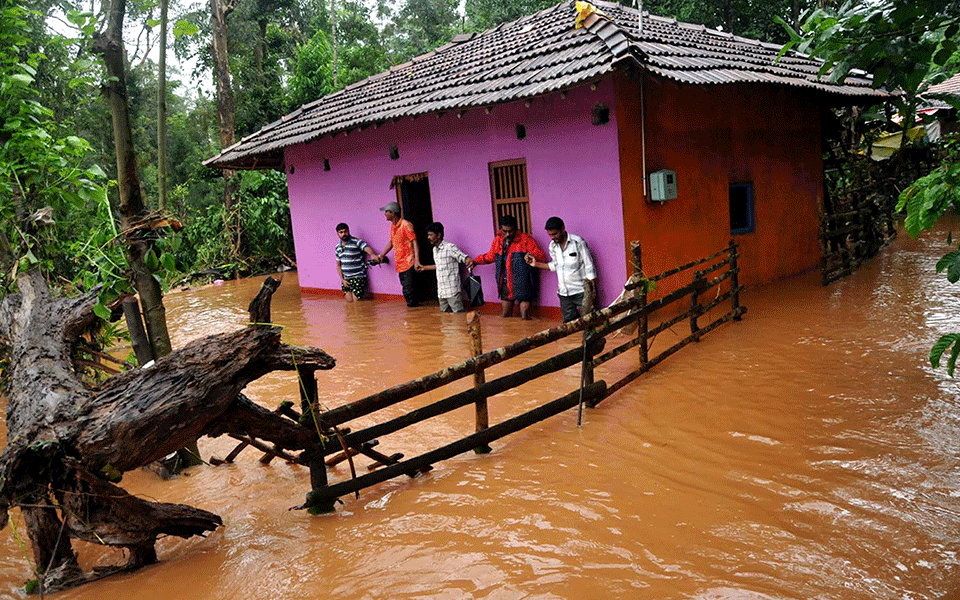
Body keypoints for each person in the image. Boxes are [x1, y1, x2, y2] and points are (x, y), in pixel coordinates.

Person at [472, 215, 547, 319]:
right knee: (505, 316)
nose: (507, 234)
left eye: (510, 231)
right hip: (505, 282)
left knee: (525, 316)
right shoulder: (498, 240)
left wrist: (531, 255)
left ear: (516, 229)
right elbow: (491, 256)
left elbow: (542, 257)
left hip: (523, 281)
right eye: (504, 231)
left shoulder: (526, 239)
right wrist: (475, 261)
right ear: (501, 229)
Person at [525, 216, 597, 323]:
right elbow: (555, 265)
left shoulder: (577, 242)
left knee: (589, 322)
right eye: (550, 235)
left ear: (563, 229)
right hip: (564, 293)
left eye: (555, 234)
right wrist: (536, 264)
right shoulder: (553, 246)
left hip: (581, 291)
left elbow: (589, 265)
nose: (552, 237)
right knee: (568, 325)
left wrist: (591, 289)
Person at [416, 222, 469, 313]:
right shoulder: (434, 250)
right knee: (445, 318)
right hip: (441, 291)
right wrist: (424, 268)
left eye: (431, 235)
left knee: (458, 316)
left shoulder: (450, 247)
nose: (428, 237)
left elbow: (463, 257)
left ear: (439, 235)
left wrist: (469, 260)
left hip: (452, 291)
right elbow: (439, 266)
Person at [375, 201, 421, 307]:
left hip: (409, 262)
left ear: (393, 212)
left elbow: (415, 242)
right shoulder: (393, 226)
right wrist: (382, 254)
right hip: (400, 263)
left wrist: (417, 261)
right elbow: (392, 242)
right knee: (406, 290)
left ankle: (413, 314)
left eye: (387, 212)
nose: (385, 214)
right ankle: (412, 316)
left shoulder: (406, 225)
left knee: (409, 291)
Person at [334, 223, 380, 302]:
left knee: (357, 303)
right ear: (338, 234)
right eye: (341, 232)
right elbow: (338, 265)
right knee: (349, 302)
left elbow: (366, 248)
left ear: (349, 231)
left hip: (358, 277)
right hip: (346, 279)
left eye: (345, 231)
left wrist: (372, 255)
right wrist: (342, 279)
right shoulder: (338, 247)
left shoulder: (356, 242)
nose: (343, 234)